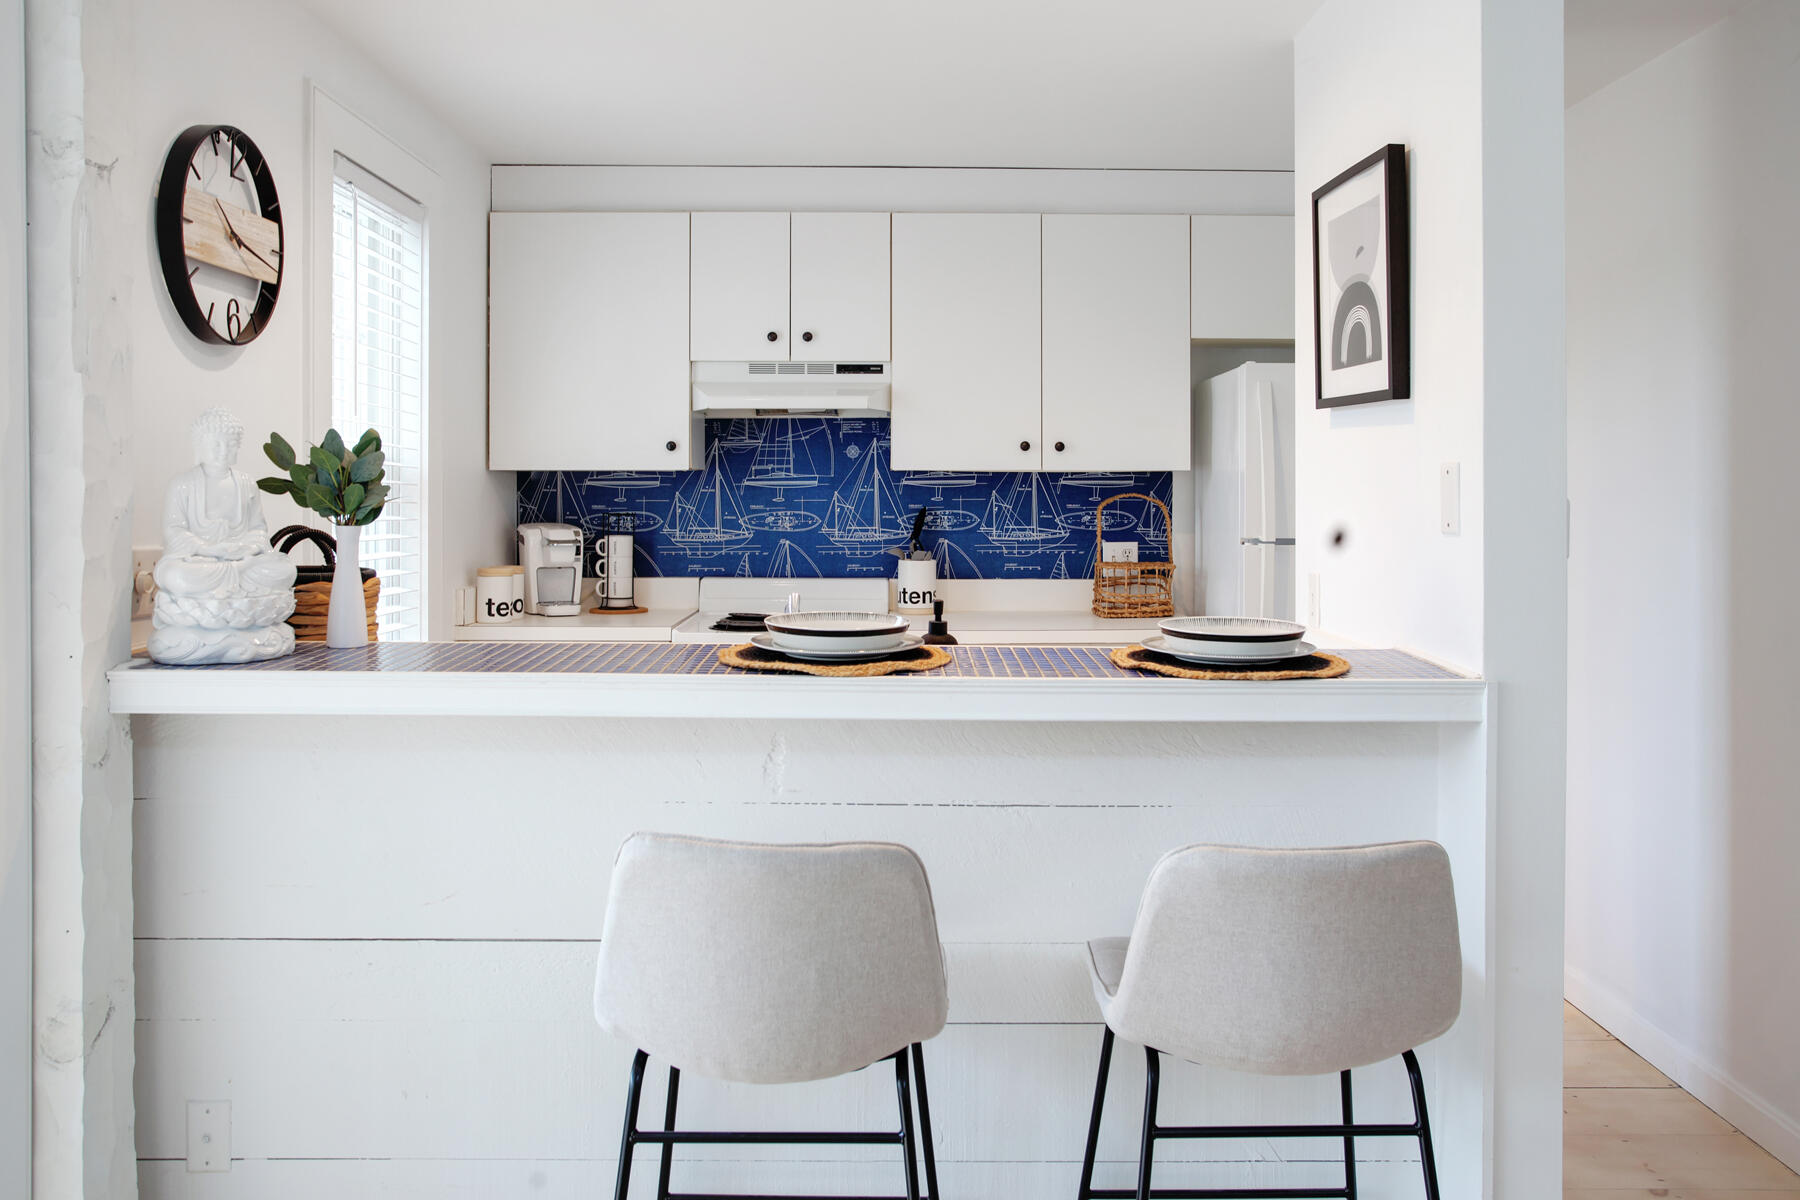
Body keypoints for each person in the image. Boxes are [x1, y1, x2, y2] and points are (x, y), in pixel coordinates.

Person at [147, 408, 296, 664]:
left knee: (284, 569)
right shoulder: (182, 484)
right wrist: (209, 549)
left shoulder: (247, 483)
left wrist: (243, 549)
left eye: (228, 445)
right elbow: (174, 531)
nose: (221, 451)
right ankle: (240, 629)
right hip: (202, 564)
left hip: (243, 562)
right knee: (175, 575)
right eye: (214, 444)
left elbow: (258, 530)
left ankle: (226, 626)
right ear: (199, 444)